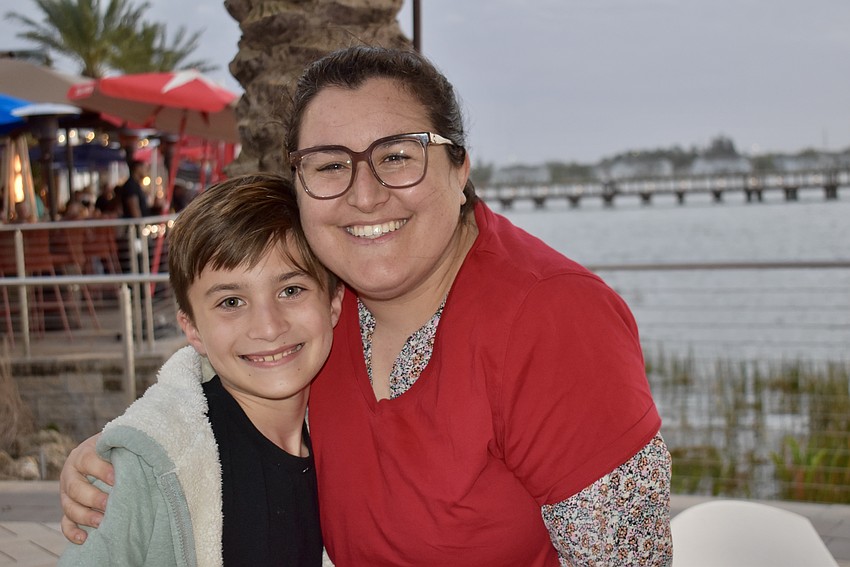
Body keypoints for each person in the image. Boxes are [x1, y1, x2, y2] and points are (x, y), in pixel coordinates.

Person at [60, 46, 672, 566]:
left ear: (460, 167)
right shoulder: (322, 299)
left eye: (397, 155)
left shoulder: (552, 319)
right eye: (330, 165)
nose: (365, 195)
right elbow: (226, 378)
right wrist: (129, 455)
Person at [58, 173, 342, 566]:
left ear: (333, 302)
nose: (268, 327)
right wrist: (134, 452)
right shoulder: (143, 470)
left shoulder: (349, 432)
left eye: (291, 290)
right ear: (192, 328)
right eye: (231, 302)